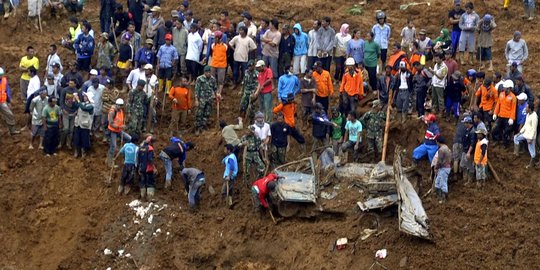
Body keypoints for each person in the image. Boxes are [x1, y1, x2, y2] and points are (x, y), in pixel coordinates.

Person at [107, 98, 131, 167]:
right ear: (116, 104)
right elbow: (111, 123)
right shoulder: (112, 112)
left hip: (119, 130)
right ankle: (110, 161)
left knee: (129, 139)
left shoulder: (121, 111)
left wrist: (123, 125)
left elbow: (121, 120)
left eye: (121, 105)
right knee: (113, 146)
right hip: (112, 131)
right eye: (119, 105)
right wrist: (119, 127)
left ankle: (124, 153)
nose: (120, 107)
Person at [194, 66, 218, 135]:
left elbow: (215, 89)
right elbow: (196, 90)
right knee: (199, 113)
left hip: (209, 99)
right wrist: (196, 100)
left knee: (207, 113)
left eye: (209, 72)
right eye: (207, 72)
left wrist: (217, 95)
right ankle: (198, 128)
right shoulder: (199, 79)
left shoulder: (213, 79)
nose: (208, 73)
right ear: (204, 72)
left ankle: (203, 126)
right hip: (202, 99)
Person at [492, 80, 517, 146]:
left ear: (510, 88)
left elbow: (513, 109)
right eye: (505, 88)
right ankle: (497, 140)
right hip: (500, 116)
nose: (505, 89)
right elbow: (498, 105)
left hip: (508, 118)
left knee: (506, 132)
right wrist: (495, 113)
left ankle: (505, 144)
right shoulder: (501, 94)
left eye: (506, 88)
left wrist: (512, 118)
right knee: (495, 130)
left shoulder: (513, 97)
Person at [514, 103, 537, 167]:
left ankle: (532, 163)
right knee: (516, 137)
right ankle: (516, 153)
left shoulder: (534, 117)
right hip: (526, 133)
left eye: (527, 107)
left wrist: (531, 138)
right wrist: (520, 132)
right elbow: (525, 125)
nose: (525, 108)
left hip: (530, 136)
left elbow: (534, 129)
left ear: (529, 109)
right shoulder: (528, 115)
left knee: (532, 150)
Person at [59, 79, 80, 149]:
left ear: (75, 84)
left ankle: (69, 143)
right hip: (66, 112)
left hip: (73, 113)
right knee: (66, 128)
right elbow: (61, 101)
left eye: (71, 83)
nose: (70, 84)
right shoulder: (64, 90)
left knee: (71, 130)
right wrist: (63, 109)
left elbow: (79, 102)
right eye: (69, 83)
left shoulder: (77, 91)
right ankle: (61, 142)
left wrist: (77, 110)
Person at [73, 92, 94, 158]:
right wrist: (74, 99)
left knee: (84, 139)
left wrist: (78, 100)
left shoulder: (90, 106)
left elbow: (84, 108)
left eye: (85, 96)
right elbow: (75, 106)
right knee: (77, 138)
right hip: (78, 124)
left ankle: (83, 152)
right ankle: (76, 151)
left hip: (85, 126)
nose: (84, 97)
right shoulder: (81, 103)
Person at [433, 137, 451, 203]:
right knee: (437, 182)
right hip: (447, 167)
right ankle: (440, 197)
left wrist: (436, 167)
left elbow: (440, 161)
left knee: (443, 183)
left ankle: (443, 199)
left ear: (438, 142)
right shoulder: (447, 148)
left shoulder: (441, 150)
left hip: (443, 168)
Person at [138, 135, 156, 200]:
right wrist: (154, 168)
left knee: (142, 181)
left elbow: (138, 158)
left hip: (142, 167)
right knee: (150, 182)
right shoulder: (150, 148)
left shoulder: (140, 148)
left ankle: (142, 196)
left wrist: (139, 168)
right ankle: (150, 197)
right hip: (148, 168)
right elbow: (150, 159)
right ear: (150, 142)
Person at [460, 114, 476, 183]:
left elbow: (472, 143)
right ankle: (465, 178)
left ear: (468, 123)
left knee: (470, 166)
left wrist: (469, 152)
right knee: (462, 164)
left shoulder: (472, 132)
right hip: (465, 150)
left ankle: (469, 180)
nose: (464, 124)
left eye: (465, 123)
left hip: (469, 152)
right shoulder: (467, 130)